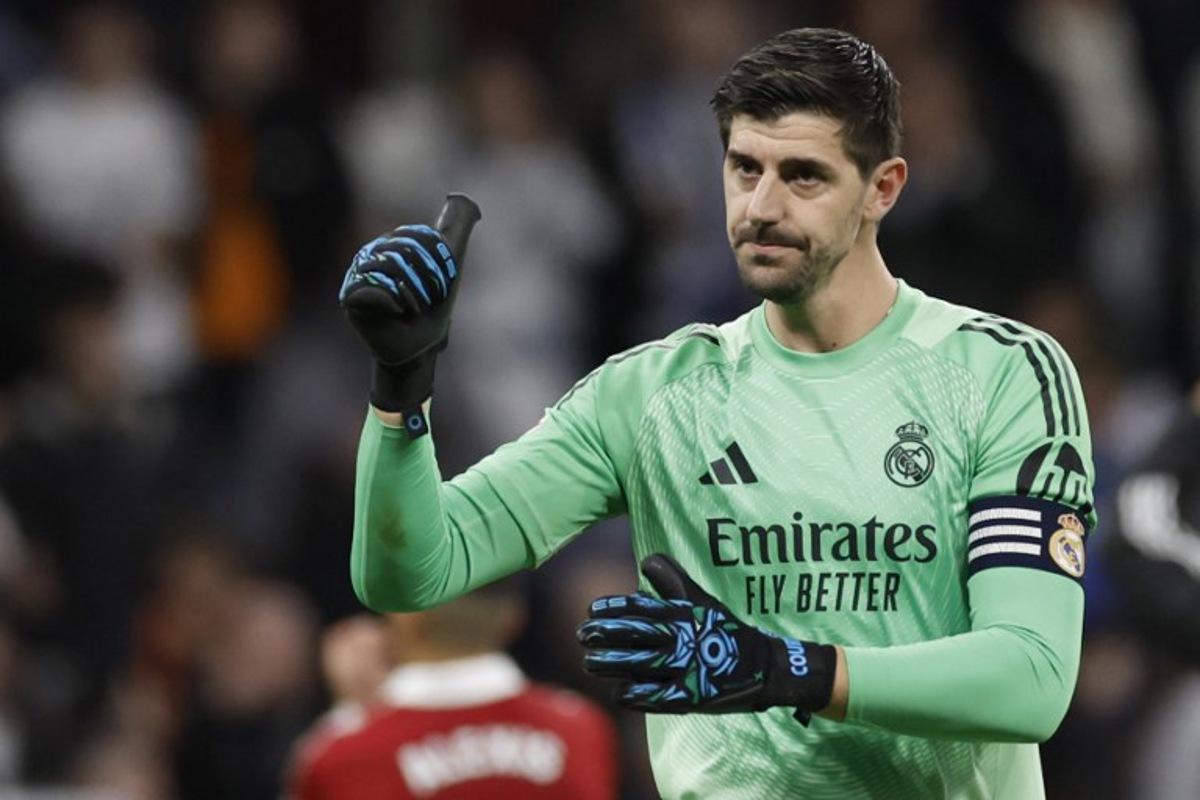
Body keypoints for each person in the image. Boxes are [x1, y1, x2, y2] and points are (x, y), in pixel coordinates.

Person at [338, 28, 1096, 798]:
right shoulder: (650, 394)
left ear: (884, 188)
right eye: (744, 169)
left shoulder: (1000, 374)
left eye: (803, 176)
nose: (761, 207)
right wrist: (401, 383)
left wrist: (782, 669)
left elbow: (1029, 677)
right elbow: (409, 574)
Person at [285, 581, 618, 799]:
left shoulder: (341, 756)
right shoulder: (582, 730)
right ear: (513, 618)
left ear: (405, 616)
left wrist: (352, 713)